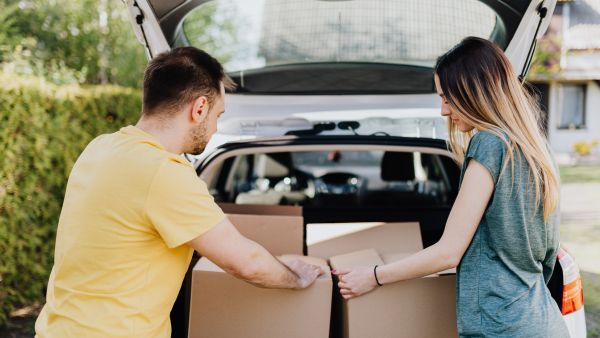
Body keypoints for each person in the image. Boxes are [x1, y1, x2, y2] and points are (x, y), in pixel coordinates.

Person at [35, 47, 323, 338]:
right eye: (217, 115)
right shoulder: (164, 173)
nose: (214, 128)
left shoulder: (100, 147)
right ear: (199, 109)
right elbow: (246, 263)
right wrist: (297, 277)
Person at [332, 37, 570, 337]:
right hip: (542, 320)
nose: (444, 111)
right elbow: (547, 256)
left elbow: (448, 253)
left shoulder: (489, 144)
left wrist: (374, 276)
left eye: (448, 98)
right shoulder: (537, 151)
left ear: (474, 92)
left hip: (502, 328)